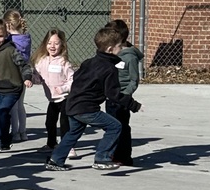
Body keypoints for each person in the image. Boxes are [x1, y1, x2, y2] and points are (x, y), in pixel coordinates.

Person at [46, 25, 142, 172]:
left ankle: (56, 160)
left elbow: (77, 78)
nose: (121, 49)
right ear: (110, 49)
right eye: (119, 47)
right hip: (86, 108)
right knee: (115, 126)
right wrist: (133, 105)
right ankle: (102, 158)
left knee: (73, 133)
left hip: (72, 104)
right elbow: (113, 94)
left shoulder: (88, 62)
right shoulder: (109, 69)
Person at [0, 18, 33, 153]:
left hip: (13, 88)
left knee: (2, 112)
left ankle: (1, 141)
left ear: (6, 35)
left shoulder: (11, 50)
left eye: (0, 36)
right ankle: (5, 140)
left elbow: (23, 65)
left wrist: (27, 78)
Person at [105, 18, 144, 166]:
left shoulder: (130, 57)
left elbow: (134, 80)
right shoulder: (111, 53)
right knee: (112, 126)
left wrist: (125, 96)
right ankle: (113, 153)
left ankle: (123, 156)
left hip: (121, 98)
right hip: (111, 96)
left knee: (122, 127)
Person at [32, 28, 76, 154]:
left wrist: (62, 89)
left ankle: (68, 146)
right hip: (52, 99)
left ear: (62, 44)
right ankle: (51, 144)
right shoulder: (41, 61)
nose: (52, 46)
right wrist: (31, 79)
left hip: (64, 98)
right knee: (49, 122)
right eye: (49, 43)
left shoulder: (64, 63)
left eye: (56, 43)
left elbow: (72, 80)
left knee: (64, 124)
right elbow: (37, 76)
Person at [3, 9, 32, 142]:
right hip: (24, 73)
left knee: (13, 106)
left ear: (8, 24)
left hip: (13, 74)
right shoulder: (26, 38)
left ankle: (15, 132)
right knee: (21, 104)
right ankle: (23, 132)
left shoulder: (10, 40)